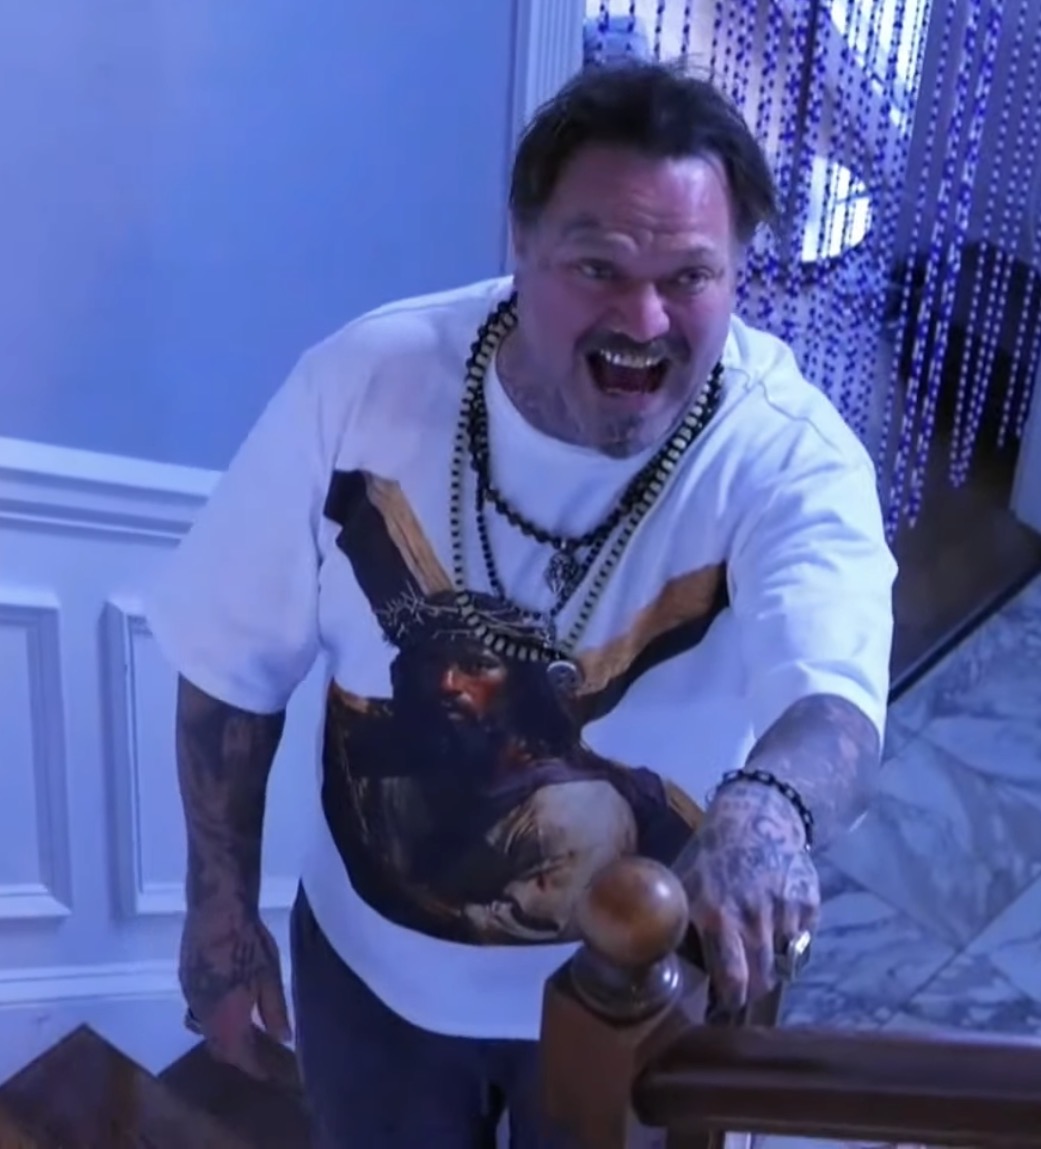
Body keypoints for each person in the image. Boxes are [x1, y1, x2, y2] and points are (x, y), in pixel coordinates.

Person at [147, 61, 895, 1148]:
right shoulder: (366, 382)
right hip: (369, 986)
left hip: (626, 1007)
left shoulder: (788, 456)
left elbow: (833, 703)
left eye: (690, 276)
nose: (644, 317)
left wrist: (771, 803)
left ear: (738, 273)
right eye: (598, 266)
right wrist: (218, 914)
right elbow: (230, 668)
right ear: (521, 243)